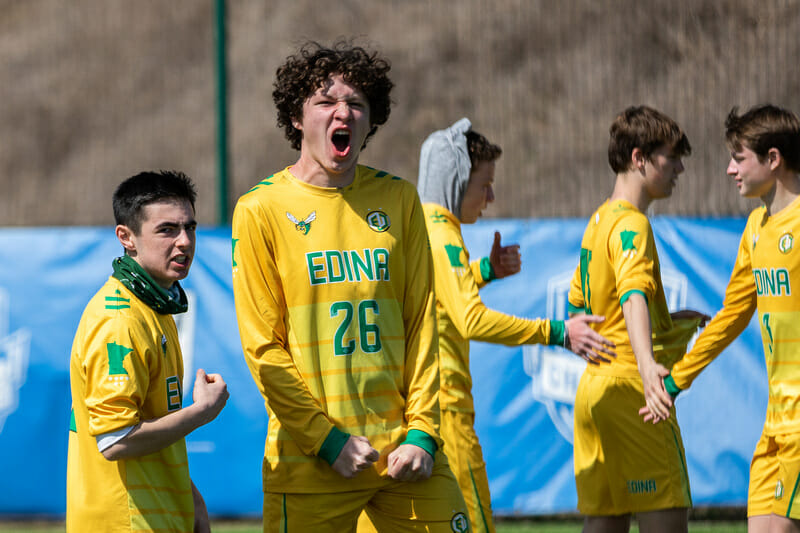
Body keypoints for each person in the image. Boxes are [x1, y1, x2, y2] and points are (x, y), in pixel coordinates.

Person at [231, 41, 470, 532]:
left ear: (370, 120)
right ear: (297, 119)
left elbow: (423, 322)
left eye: (356, 104)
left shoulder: (399, 198)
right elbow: (263, 350)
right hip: (310, 459)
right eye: (325, 102)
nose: (344, 112)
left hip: (404, 451)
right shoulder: (260, 209)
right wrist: (326, 440)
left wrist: (424, 431)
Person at [370, 117, 616, 533]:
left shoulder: (416, 226)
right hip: (443, 411)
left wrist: (484, 270)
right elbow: (470, 319)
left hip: (409, 407)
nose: (491, 196)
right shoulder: (442, 234)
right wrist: (558, 333)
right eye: (484, 185)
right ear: (455, 181)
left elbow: (436, 293)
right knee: (475, 524)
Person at [640, 104, 800, 533]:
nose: (730, 169)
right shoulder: (754, 229)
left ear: (774, 159)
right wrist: (675, 380)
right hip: (774, 425)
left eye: (739, 157)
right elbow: (730, 317)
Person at [567, 106, 707, 533]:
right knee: (665, 518)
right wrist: (648, 366)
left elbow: (578, 307)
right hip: (634, 395)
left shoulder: (598, 219)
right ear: (638, 158)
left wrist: (665, 319)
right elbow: (631, 296)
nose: (680, 166)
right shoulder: (632, 224)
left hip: (593, 394)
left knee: (603, 523)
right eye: (671, 156)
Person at [66, 170, 230, 532]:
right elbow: (116, 440)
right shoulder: (119, 321)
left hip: (156, 517)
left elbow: (150, 423)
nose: (184, 242)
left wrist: (188, 496)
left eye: (190, 227)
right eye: (167, 230)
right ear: (127, 237)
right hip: (125, 523)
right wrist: (202, 411)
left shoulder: (154, 305)